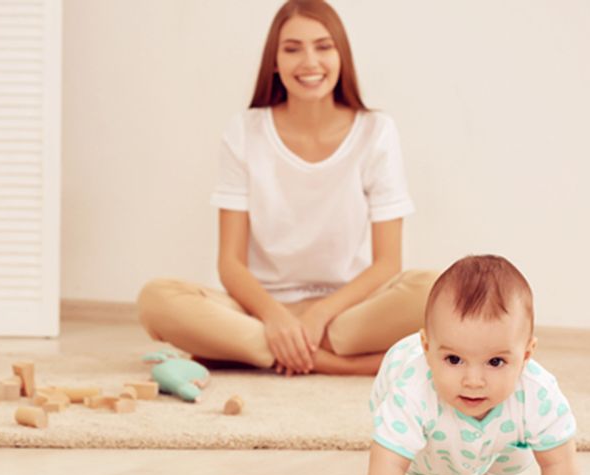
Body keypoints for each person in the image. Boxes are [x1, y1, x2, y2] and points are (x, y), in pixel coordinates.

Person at [137, 0, 437, 376]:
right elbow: (230, 264)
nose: (309, 61)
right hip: (261, 311)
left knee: (436, 290)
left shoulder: (376, 132)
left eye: (323, 46)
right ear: (274, 63)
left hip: (348, 313)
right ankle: (317, 355)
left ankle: (260, 351)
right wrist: (276, 318)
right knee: (157, 299)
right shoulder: (244, 131)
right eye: (292, 49)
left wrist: (320, 314)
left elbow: (387, 263)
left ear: (341, 55)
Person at [366, 255, 581, 475]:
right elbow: (387, 463)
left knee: (504, 463)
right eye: (454, 359)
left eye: (496, 362)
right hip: (427, 449)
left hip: (495, 442)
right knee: (432, 463)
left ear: (527, 355)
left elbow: (560, 461)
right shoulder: (411, 390)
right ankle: (446, 471)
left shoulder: (536, 392)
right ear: (427, 350)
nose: (473, 381)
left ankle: (481, 470)